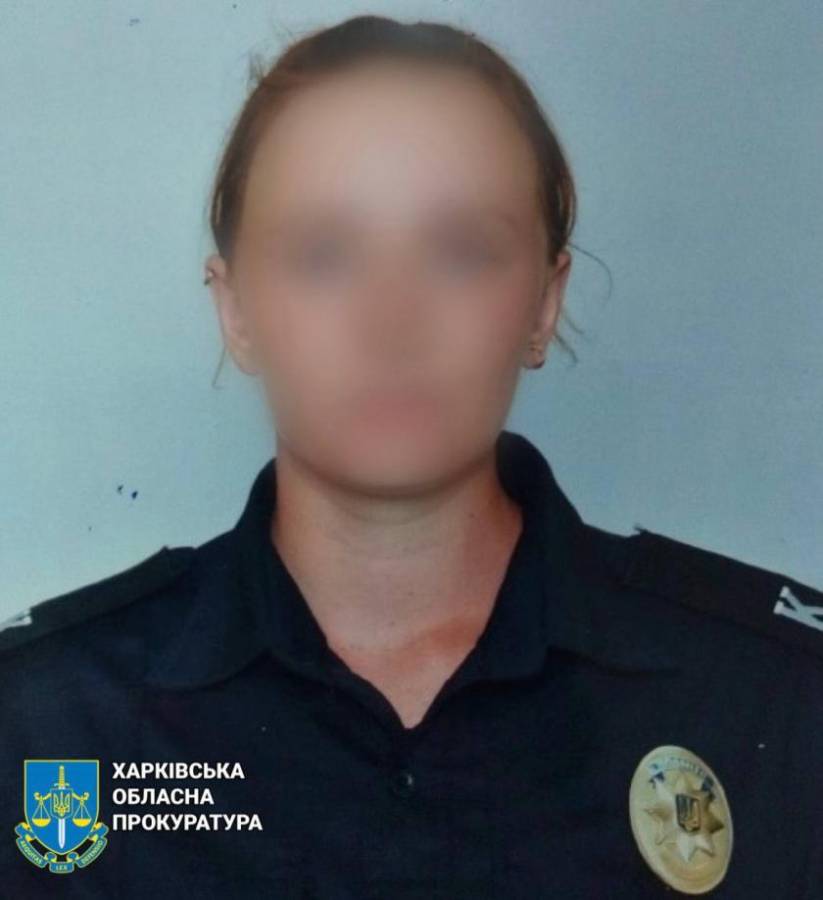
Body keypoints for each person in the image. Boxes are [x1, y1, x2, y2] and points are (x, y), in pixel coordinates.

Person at [1, 14, 821, 900]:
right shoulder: (47, 720)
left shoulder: (779, 695)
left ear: (543, 305)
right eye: (323, 255)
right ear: (236, 312)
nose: (391, 320)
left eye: (462, 251)